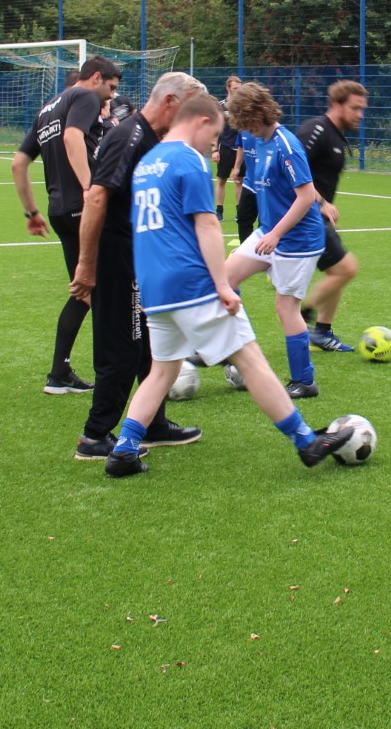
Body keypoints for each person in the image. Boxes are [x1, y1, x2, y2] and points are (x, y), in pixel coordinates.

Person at [103, 93, 354, 478]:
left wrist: (144, 287)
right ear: (202, 120)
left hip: (155, 286)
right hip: (191, 284)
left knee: (161, 371)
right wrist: (222, 284)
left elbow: (141, 229)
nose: (214, 146)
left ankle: (123, 450)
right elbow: (206, 224)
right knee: (251, 360)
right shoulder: (189, 160)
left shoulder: (147, 163)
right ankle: (307, 442)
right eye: (215, 135)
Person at [68, 71, 208, 459]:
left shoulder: (153, 140)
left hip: (141, 259)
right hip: (117, 258)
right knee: (123, 347)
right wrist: (86, 265)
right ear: (170, 101)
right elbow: (96, 198)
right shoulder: (129, 136)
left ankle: (152, 424)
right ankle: (95, 435)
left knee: (151, 344)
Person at [10, 56, 120, 395]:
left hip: (58, 210)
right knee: (118, 288)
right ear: (96, 77)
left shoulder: (46, 110)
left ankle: (59, 374)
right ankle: (120, 370)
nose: (111, 96)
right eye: (111, 88)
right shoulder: (84, 96)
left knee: (84, 291)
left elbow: (18, 163)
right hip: (85, 209)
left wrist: (31, 213)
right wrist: (89, 188)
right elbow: (73, 137)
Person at [223, 83, 327, 398]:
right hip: (269, 232)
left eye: (247, 122)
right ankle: (232, 349)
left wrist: (277, 233)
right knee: (224, 279)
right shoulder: (258, 141)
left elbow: (306, 196)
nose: (246, 130)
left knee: (286, 308)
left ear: (260, 113)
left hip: (298, 241)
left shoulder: (286, 145)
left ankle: (304, 382)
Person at [296, 80, 366, 353]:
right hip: (304, 216)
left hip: (317, 217)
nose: (360, 114)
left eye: (362, 109)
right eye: (355, 108)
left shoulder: (336, 135)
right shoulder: (316, 129)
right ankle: (302, 314)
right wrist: (321, 202)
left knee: (338, 271)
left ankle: (323, 331)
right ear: (337, 104)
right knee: (346, 269)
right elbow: (292, 168)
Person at [212, 75, 243, 219]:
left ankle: (239, 211)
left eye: (239, 88)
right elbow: (215, 130)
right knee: (221, 180)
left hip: (240, 149)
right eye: (235, 88)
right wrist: (214, 149)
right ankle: (219, 211)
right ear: (228, 88)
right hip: (225, 147)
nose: (237, 91)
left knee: (239, 180)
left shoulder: (244, 106)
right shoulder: (221, 106)